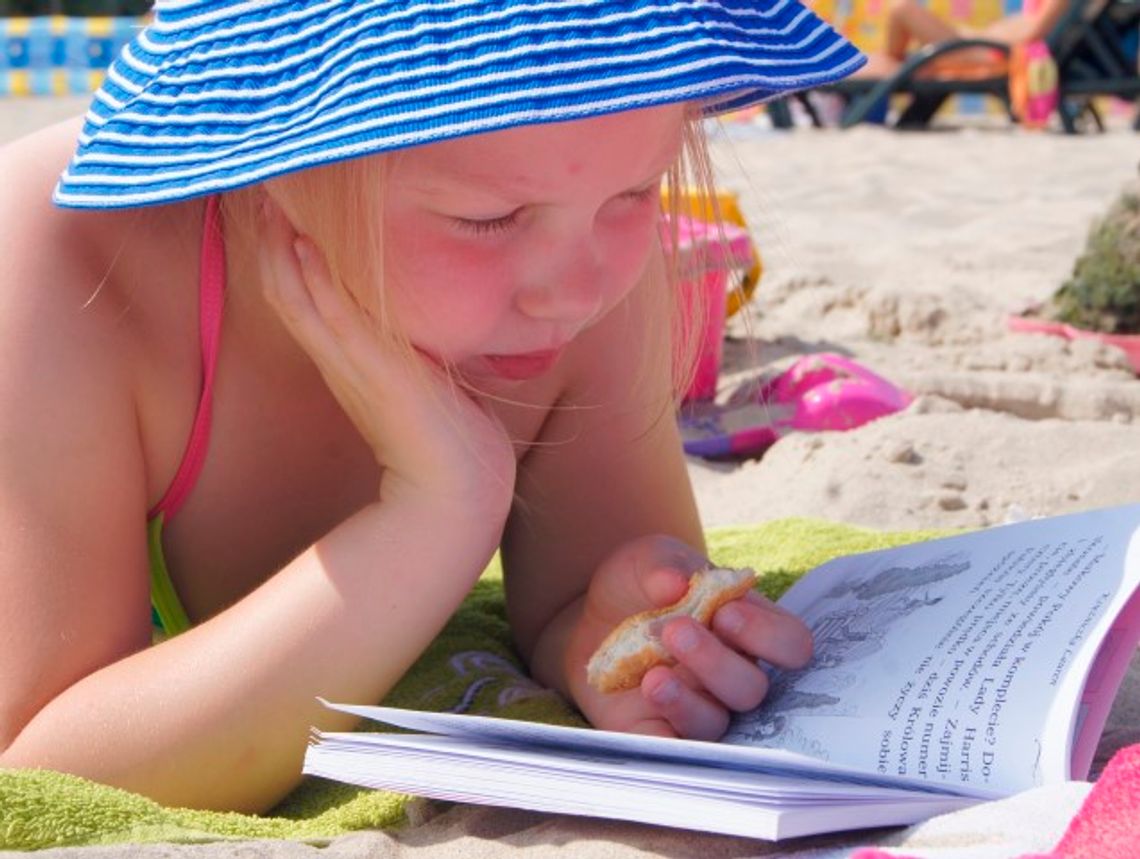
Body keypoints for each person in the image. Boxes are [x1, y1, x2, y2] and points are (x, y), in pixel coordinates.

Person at [0, 0, 863, 815]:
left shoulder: (583, 259)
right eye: (488, 219)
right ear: (282, 162)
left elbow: (577, 594)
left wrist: (597, 637)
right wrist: (439, 510)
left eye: (637, 195)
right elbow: (42, 766)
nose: (577, 290)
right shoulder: (66, 265)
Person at [854, 0, 1072, 77]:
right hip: (981, 46)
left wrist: (979, 36)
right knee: (894, 58)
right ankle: (887, 66)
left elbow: (1032, 35)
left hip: (986, 54)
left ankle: (887, 68)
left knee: (902, 9)